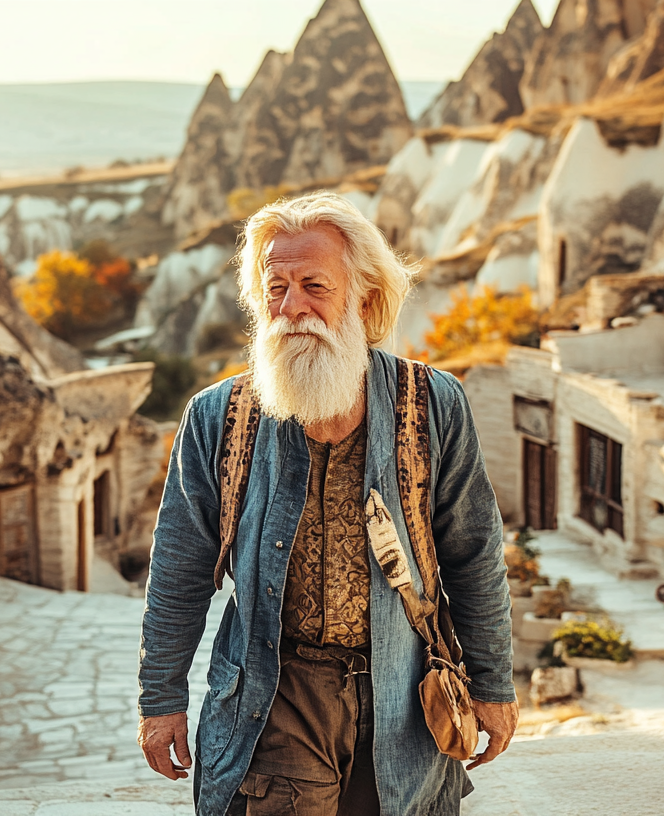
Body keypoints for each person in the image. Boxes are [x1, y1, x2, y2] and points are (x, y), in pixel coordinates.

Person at [137, 192, 517, 815]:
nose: (292, 308)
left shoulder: (433, 405)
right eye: (276, 288)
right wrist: (161, 699)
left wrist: (494, 683)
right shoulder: (217, 419)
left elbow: (474, 557)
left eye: (314, 285)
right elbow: (178, 571)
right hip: (276, 696)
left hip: (408, 696)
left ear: (362, 300)